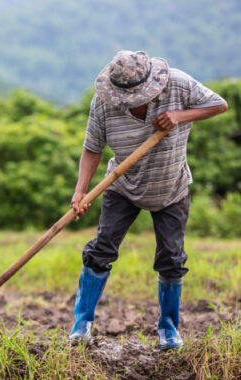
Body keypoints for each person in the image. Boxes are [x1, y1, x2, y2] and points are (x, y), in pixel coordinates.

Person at [68, 50, 228, 350]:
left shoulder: (178, 84)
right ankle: (82, 325)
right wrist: (80, 191)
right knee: (101, 250)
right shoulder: (104, 102)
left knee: (171, 258)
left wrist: (180, 116)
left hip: (171, 186)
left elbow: (219, 104)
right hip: (122, 185)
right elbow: (92, 148)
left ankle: (169, 329)